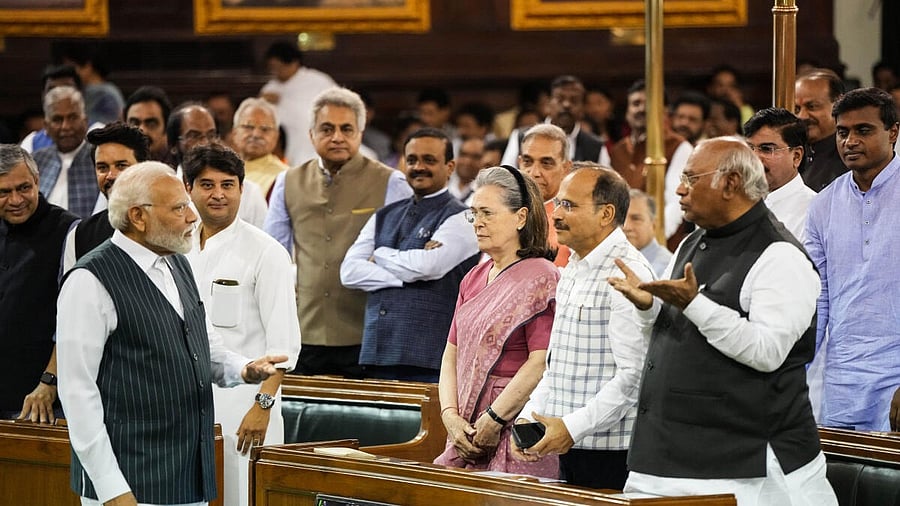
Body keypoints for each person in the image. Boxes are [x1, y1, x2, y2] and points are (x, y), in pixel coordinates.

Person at [609, 137, 836, 506]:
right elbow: (677, 331)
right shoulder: (691, 242)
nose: (679, 189)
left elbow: (768, 352)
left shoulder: (780, 255)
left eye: (691, 179)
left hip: (745, 462)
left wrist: (695, 304)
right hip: (666, 454)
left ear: (730, 184)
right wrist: (649, 307)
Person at [56, 161, 288, 506]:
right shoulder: (89, 280)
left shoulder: (177, 262)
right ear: (138, 216)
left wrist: (243, 369)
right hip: (128, 481)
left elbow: (204, 348)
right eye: (179, 208)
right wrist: (110, 488)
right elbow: (77, 392)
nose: (192, 217)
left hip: (187, 475)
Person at [511, 167, 654, 489]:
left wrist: (573, 428)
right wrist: (529, 417)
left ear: (606, 214)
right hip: (570, 445)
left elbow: (634, 376)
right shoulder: (574, 266)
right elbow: (557, 364)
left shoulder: (627, 272)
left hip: (612, 453)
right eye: (558, 203)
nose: (556, 214)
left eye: (569, 205)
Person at [265, 87, 413, 377]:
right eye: (327, 129)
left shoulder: (391, 182)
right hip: (302, 330)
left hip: (367, 332)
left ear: (360, 133)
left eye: (346, 129)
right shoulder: (288, 181)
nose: (337, 137)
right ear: (311, 134)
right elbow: (273, 254)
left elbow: (406, 258)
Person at [183, 143, 300, 506]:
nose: (218, 194)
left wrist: (262, 406)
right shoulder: (176, 248)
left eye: (227, 185)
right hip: (184, 408)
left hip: (245, 409)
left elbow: (284, 346)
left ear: (241, 189)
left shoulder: (267, 252)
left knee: (242, 497)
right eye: (207, 185)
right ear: (188, 188)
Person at [434, 166, 558, 478]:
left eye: (487, 213)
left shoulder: (542, 277)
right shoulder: (473, 277)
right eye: (474, 214)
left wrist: (495, 418)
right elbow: (451, 354)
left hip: (515, 425)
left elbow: (541, 361)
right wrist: (449, 417)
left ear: (521, 217)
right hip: (465, 424)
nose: (478, 222)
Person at [341, 128, 479, 382]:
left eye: (429, 160)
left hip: (427, 357)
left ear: (449, 167)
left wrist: (379, 254)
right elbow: (349, 272)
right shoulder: (385, 214)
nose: (419, 167)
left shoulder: (464, 217)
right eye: (412, 159)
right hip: (376, 351)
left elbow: (428, 267)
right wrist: (406, 276)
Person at [804, 87, 900, 431]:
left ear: (893, 132)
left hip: (895, 373)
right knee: (844, 465)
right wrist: (791, 375)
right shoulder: (823, 205)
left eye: (864, 130)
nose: (850, 141)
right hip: (843, 377)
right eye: (842, 132)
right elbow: (817, 298)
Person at [0, 145, 78, 422]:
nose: (16, 200)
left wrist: (50, 381)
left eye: (23, 188)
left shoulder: (69, 231)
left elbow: (75, 318)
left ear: (37, 180)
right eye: (4, 192)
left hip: (41, 401)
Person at [601, 79, 693, 244]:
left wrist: (653, 239)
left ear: (665, 111)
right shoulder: (618, 150)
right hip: (620, 243)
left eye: (648, 103)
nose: (641, 109)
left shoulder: (679, 147)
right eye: (636, 104)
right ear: (627, 111)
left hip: (660, 244)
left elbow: (675, 204)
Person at [63, 121, 150, 272]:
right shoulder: (79, 236)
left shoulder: (170, 224)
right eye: (102, 168)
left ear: (143, 168)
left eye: (121, 166)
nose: (111, 175)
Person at [167, 102, 268, 228]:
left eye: (211, 135)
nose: (205, 142)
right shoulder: (164, 192)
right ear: (173, 145)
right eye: (194, 136)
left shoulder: (249, 192)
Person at [743, 108, 816, 242]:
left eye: (766, 149)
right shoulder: (738, 202)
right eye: (750, 148)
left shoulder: (814, 211)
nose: (754, 158)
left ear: (796, 156)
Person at [260, 41, 336, 166]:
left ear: (294, 63)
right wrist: (262, 101)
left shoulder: (318, 80)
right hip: (290, 145)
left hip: (320, 137)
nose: (276, 71)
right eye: (272, 68)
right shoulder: (270, 89)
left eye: (279, 67)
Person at [501, 75, 603, 166]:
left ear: (583, 108)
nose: (566, 105)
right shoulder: (521, 136)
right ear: (548, 103)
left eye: (574, 100)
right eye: (560, 99)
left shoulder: (596, 145)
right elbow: (506, 177)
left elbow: (605, 181)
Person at [32, 85, 98, 218]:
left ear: (85, 122)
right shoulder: (35, 161)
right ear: (46, 126)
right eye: (57, 119)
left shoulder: (99, 159)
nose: (66, 126)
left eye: (72, 117)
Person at [518, 123, 574, 266]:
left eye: (546, 163)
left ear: (566, 169)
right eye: (527, 162)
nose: (534, 173)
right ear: (519, 163)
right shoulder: (501, 212)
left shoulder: (575, 221)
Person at [794, 68, 848, 192]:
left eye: (812, 106)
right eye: (796, 109)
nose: (802, 116)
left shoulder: (852, 157)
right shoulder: (786, 153)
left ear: (838, 104)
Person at [231, 97, 289, 199]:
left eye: (265, 129)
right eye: (248, 127)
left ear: (276, 136)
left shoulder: (285, 177)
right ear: (234, 133)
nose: (256, 134)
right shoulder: (220, 171)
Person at [623, 189, 672, 278]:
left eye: (636, 219)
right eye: (621, 219)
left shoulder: (667, 268)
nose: (626, 227)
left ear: (653, 225)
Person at [125, 85, 173, 163]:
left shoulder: (179, 168)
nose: (142, 129)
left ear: (166, 128)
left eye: (151, 124)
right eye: (134, 123)